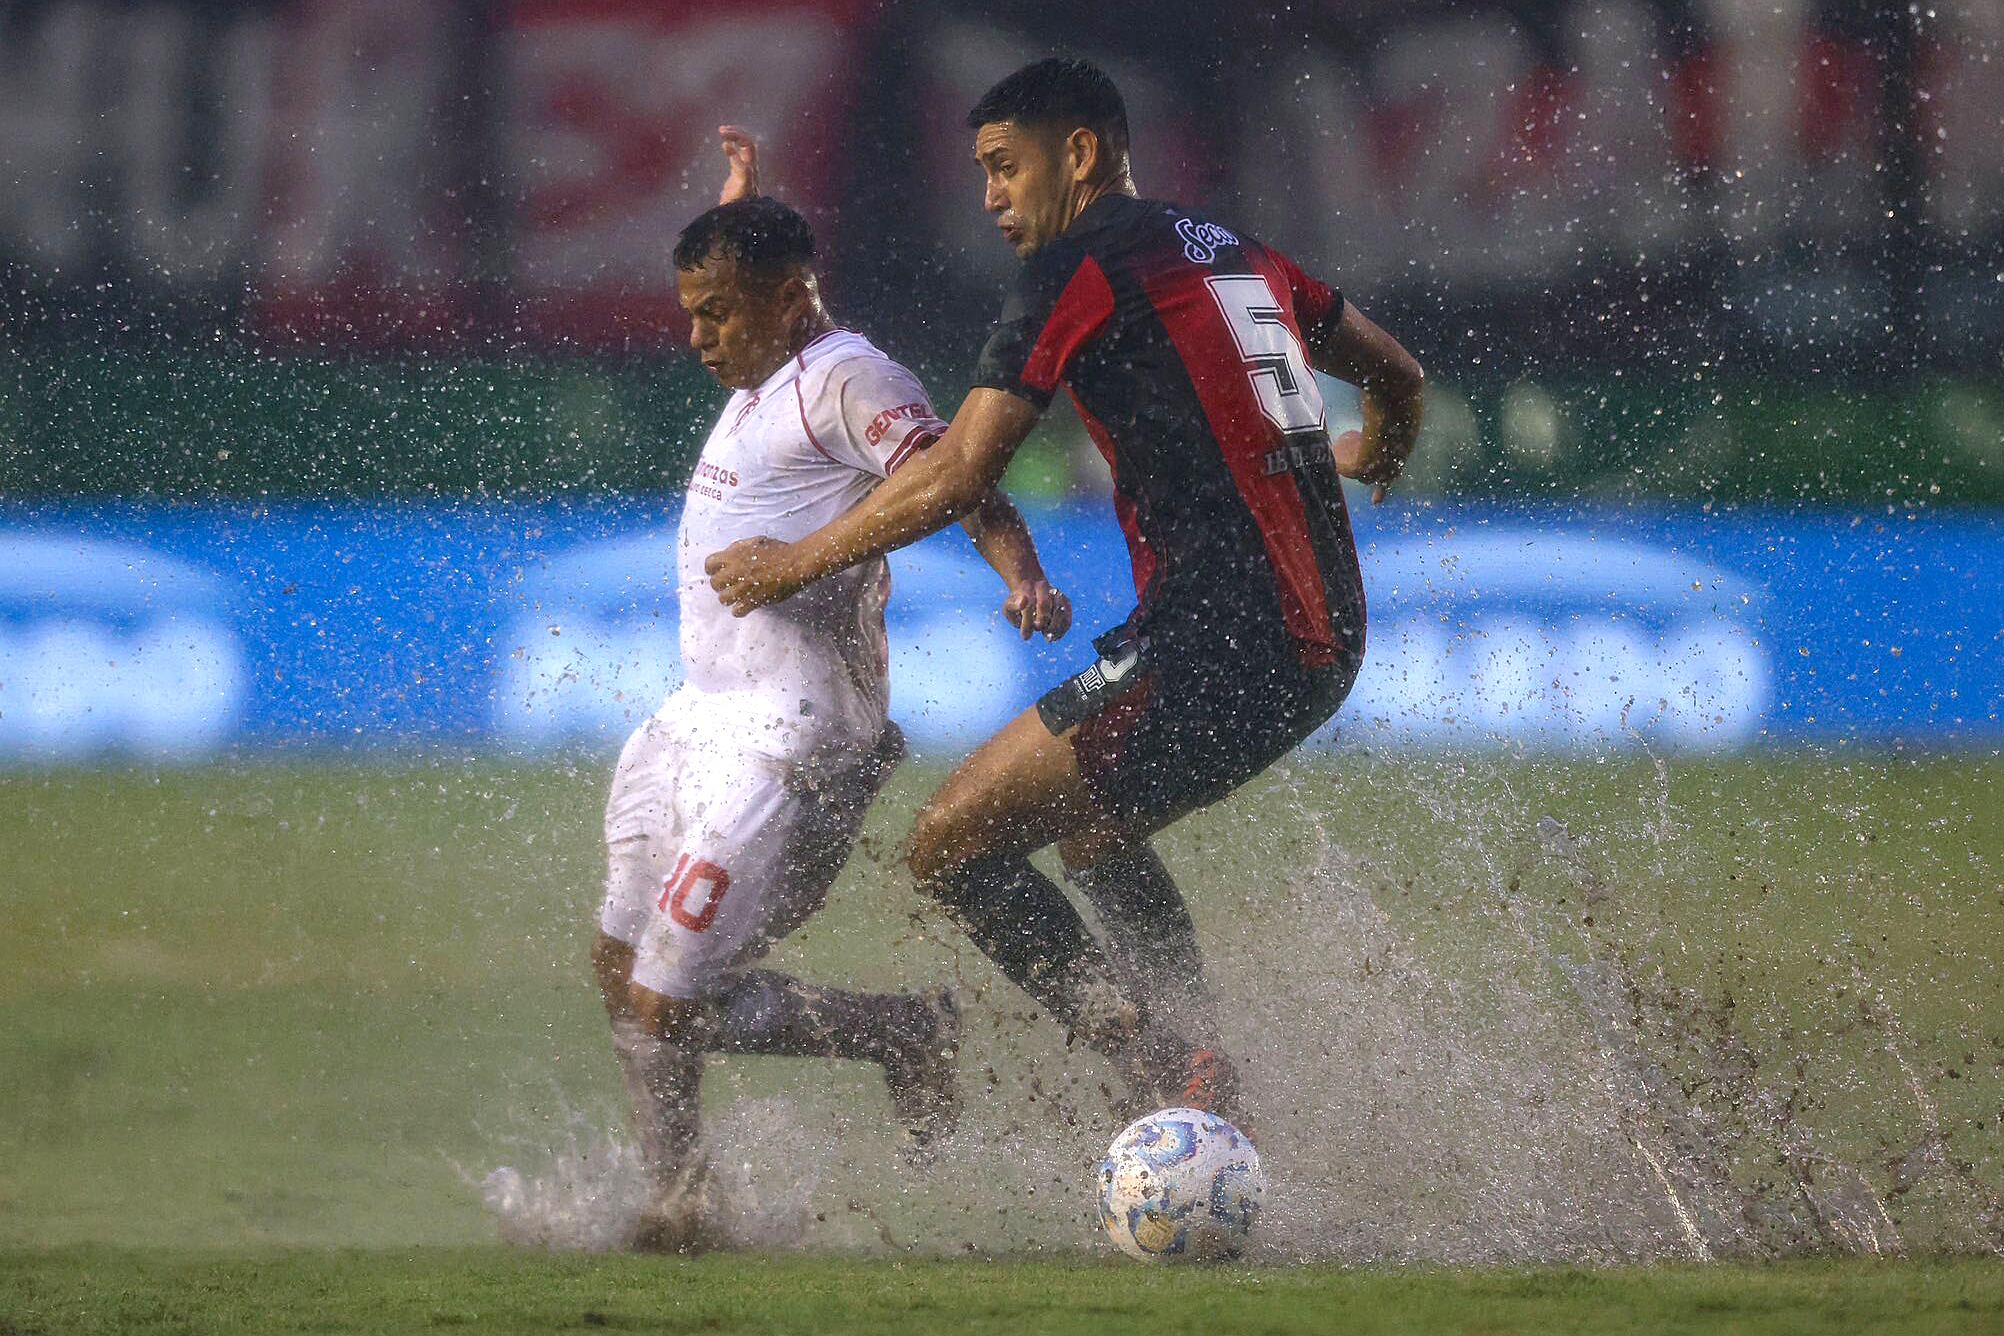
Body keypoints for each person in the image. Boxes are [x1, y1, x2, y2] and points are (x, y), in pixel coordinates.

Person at [705, 59, 1426, 1128]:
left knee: (949, 844)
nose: (990, 195)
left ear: (1079, 154)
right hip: (1327, 639)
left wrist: (787, 562)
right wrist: (1376, 452)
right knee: (1095, 836)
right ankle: (1196, 1061)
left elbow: (957, 471)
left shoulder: (1078, 268)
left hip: (1218, 636)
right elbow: (1400, 373)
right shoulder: (1233, 251)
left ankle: (1166, 1066)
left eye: (1004, 167)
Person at [593, 127, 1073, 1253]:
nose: (697, 336)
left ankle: (695, 1198)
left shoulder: (848, 376)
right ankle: (878, 1049)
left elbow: (956, 470)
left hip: (792, 739)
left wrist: (1022, 573)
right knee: (621, 973)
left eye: (715, 309)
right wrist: (740, 213)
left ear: (784, 296)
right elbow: (792, 310)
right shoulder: (782, 361)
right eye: (691, 311)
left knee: (669, 1001)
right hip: (696, 716)